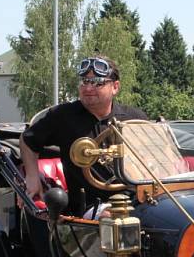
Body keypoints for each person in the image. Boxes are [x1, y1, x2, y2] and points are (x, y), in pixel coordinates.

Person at [20, 55, 147, 216]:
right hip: (91, 206)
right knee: (115, 218)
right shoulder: (63, 115)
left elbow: (159, 156)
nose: (88, 88)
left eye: (97, 82)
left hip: (138, 199)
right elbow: (27, 141)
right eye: (84, 82)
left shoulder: (135, 118)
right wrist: (32, 177)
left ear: (115, 87)